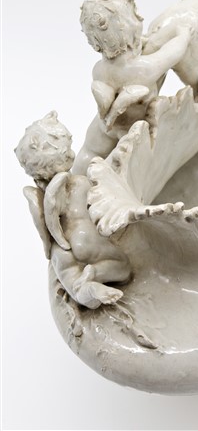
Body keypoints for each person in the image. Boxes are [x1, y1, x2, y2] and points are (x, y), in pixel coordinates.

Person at [15, 111, 132, 309]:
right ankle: (95, 273)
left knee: (72, 283)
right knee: (123, 268)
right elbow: (100, 204)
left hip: (61, 249)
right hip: (86, 238)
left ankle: (86, 290)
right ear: (67, 155)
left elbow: (45, 234)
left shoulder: (38, 198)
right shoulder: (80, 182)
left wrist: (51, 248)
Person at [73, 0, 190, 173]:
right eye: (136, 16)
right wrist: (184, 35)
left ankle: (75, 175)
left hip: (104, 125)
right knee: (120, 164)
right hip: (130, 128)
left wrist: (138, 44)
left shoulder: (99, 69)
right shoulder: (143, 68)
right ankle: (101, 179)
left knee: (90, 151)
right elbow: (173, 53)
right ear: (129, 27)